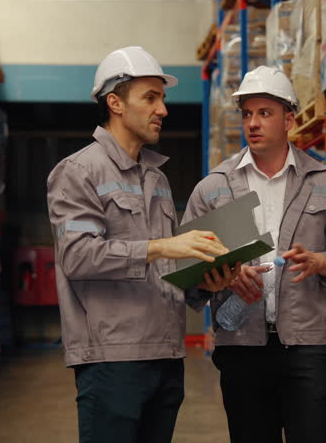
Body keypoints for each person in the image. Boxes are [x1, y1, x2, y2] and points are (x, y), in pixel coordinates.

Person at [46, 46, 235, 443]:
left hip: (166, 353)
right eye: (150, 97)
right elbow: (77, 256)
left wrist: (204, 283)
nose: (162, 109)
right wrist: (162, 247)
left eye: (162, 98)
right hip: (113, 358)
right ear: (114, 102)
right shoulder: (79, 172)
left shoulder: (157, 178)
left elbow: (164, 267)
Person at [182, 66, 326, 443]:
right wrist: (221, 275)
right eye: (247, 114)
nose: (252, 123)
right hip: (241, 348)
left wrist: (324, 261)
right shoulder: (213, 189)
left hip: (308, 347)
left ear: (289, 119)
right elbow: (186, 270)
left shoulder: (325, 182)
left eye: (264, 113)